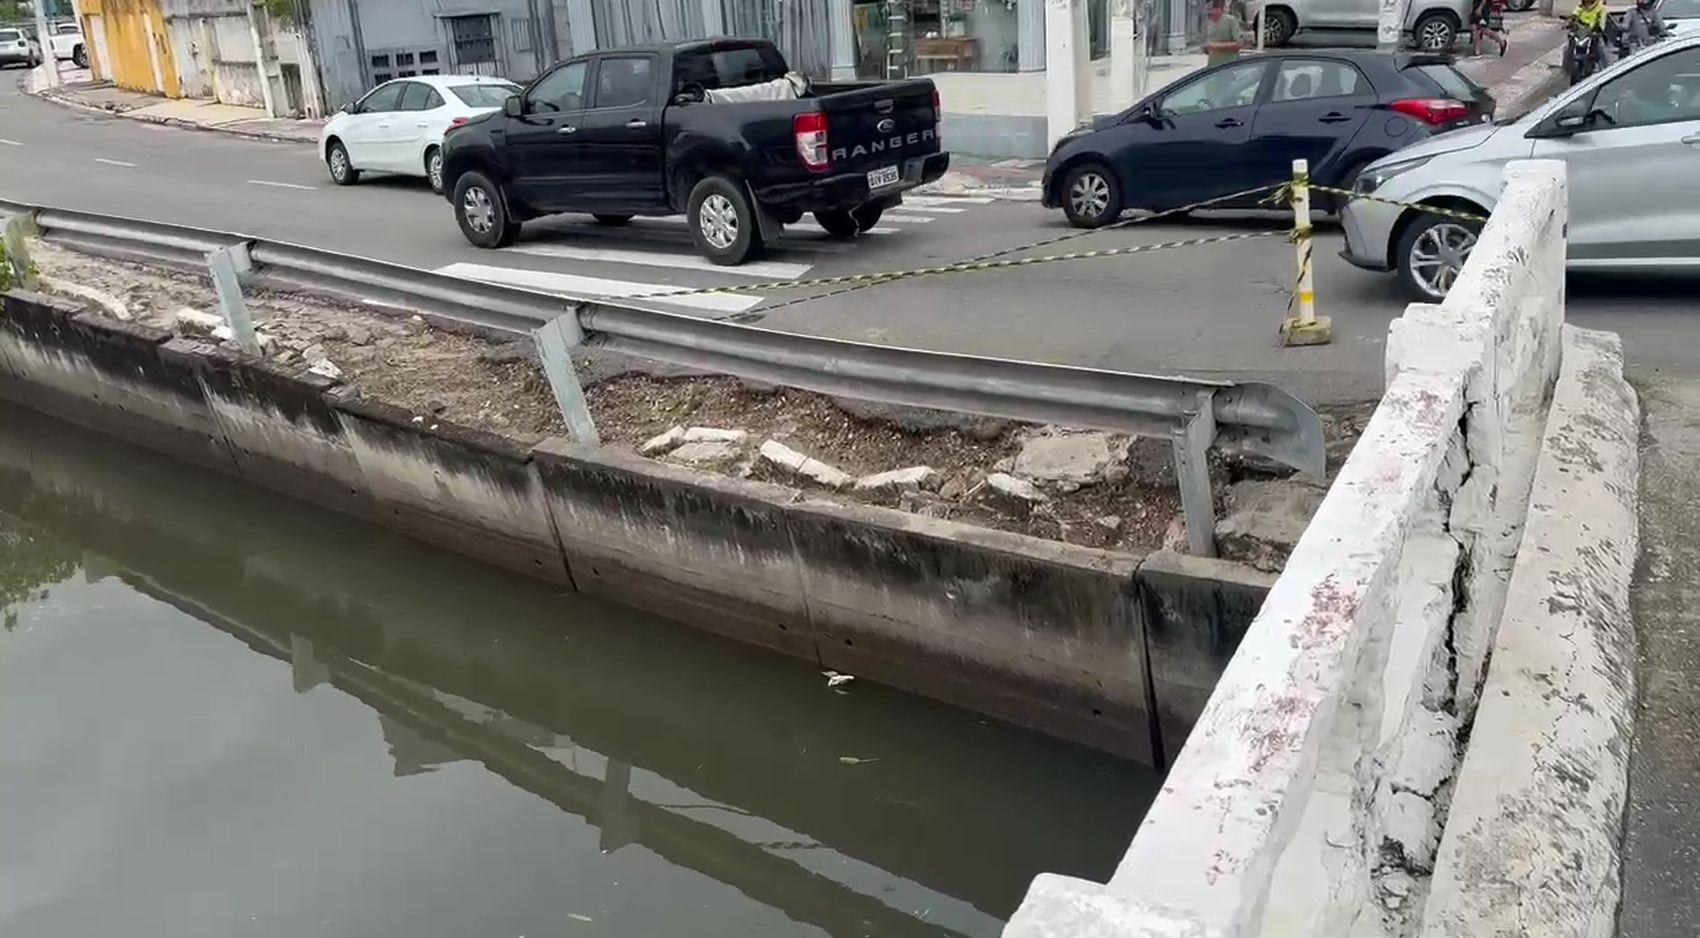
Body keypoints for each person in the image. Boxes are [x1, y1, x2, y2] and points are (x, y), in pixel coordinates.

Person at [1204, 0, 1245, 68]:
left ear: (1219, 9)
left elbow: (1239, 44)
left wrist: (1215, 46)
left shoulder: (1230, 21)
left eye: (1212, 9)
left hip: (1228, 66)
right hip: (1213, 67)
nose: (1210, 12)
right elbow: (1210, 46)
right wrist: (1206, 48)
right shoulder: (1210, 24)